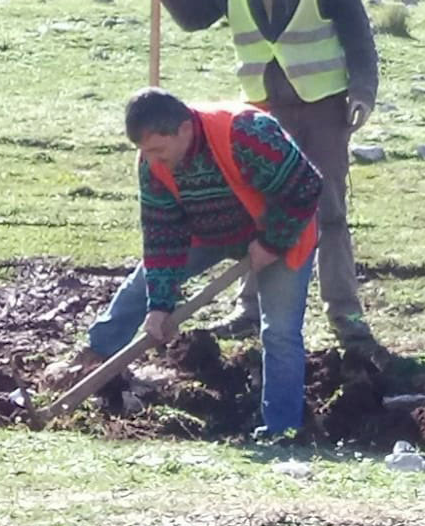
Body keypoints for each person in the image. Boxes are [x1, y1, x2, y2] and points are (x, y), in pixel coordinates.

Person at [145, 0, 379, 350]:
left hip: (323, 105)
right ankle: (249, 311)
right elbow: (193, 16)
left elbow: (356, 29)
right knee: (260, 211)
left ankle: (346, 316)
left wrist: (363, 90)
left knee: (329, 211)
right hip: (262, 112)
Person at [85, 88, 322, 437]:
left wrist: (272, 242)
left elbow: (306, 185)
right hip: (207, 233)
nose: (152, 160)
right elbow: (161, 235)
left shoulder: (246, 132)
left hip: (278, 230)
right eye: (145, 152)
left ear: (184, 129)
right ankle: (93, 359)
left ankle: (281, 430)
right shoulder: (153, 165)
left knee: (280, 332)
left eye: (157, 150)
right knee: (141, 287)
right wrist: (160, 306)